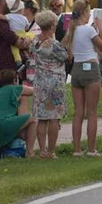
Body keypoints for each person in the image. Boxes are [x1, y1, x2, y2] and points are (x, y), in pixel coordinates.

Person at [63, 0, 102, 157]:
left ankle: (76, 149)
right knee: (92, 112)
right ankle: (91, 149)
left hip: (77, 69)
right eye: (88, 12)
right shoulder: (89, 30)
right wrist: (100, 29)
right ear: (83, 13)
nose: (89, 15)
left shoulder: (72, 30)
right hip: (90, 68)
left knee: (78, 112)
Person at [30, 10, 67, 158]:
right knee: (54, 116)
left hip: (40, 81)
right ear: (52, 25)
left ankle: (42, 150)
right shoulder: (54, 44)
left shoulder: (35, 41)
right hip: (55, 81)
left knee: (42, 117)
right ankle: (51, 151)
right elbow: (65, 57)